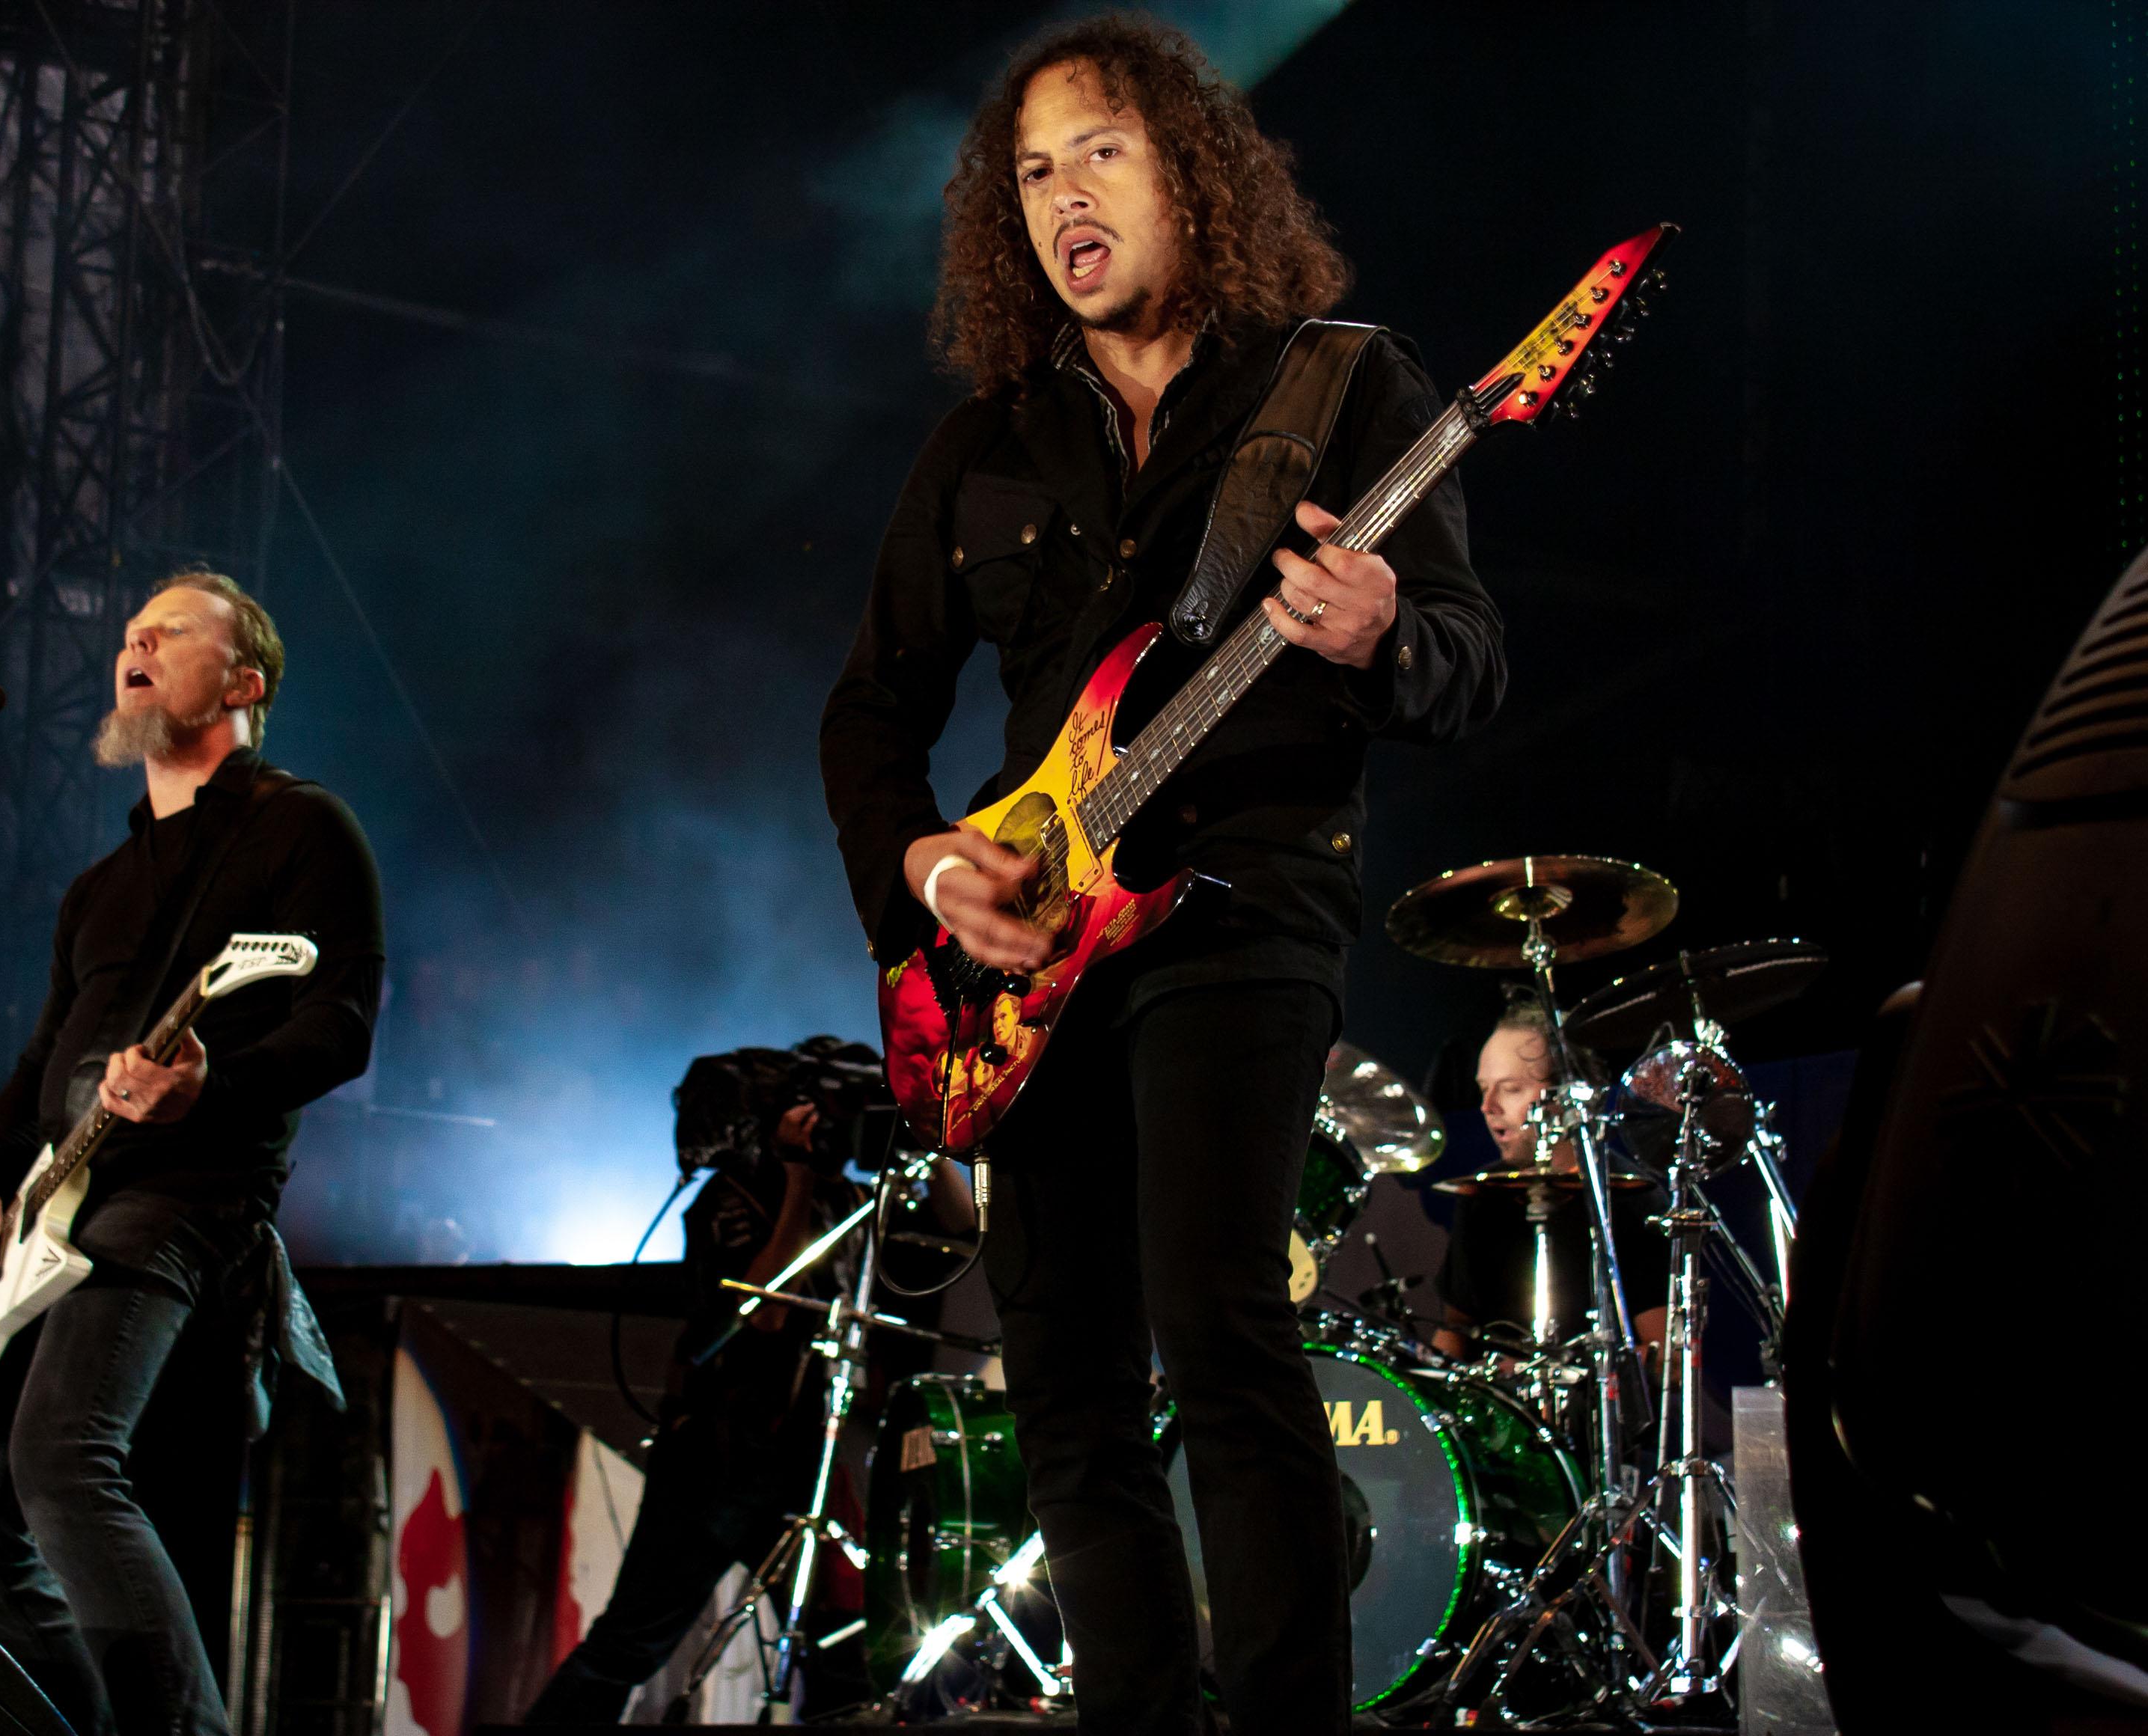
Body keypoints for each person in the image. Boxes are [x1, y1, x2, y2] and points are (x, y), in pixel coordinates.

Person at [818, 19, 1504, 1733]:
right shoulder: (984, 443)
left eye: (1102, 152)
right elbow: (870, 712)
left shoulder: (1342, 389)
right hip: (1026, 951)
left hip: (1243, 904)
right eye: (1034, 171)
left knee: (1218, 1323)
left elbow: (1470, 664)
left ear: (1193, 171)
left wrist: (1383, 631)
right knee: (1062, 1379)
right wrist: (929, 868)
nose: (1066, 195)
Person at [0, 570, 383, 1736]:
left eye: (169, 633)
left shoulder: (301, 827)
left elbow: (340, 1025)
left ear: (244, 683)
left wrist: (209, 1086)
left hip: (185, 1193)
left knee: (63, 1460)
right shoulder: (100, 887)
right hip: (54, 1202)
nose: (136, 645)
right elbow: (43, 1060)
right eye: (131, 634)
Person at [527, 1039, 974, 1723]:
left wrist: (927, 1138)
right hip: (718, 1455)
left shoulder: (855, 1198)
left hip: (806, 1457)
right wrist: (796, 1177)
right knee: (634, 1640)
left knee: (842, 1646)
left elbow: (963, 1227)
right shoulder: (729, 1196)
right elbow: (764, 1312)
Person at [1432, 998, 1669, 1369]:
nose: (1488, 1106)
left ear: (1567, 1097)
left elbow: (1665, 1358)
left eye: (1511, 1089)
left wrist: (1549, 1373)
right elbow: (1455, 1331)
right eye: (1483, 1089)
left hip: (1591, 1402)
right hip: (1496, 1404)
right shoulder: (1481, 1195)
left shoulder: (1629, 1197)